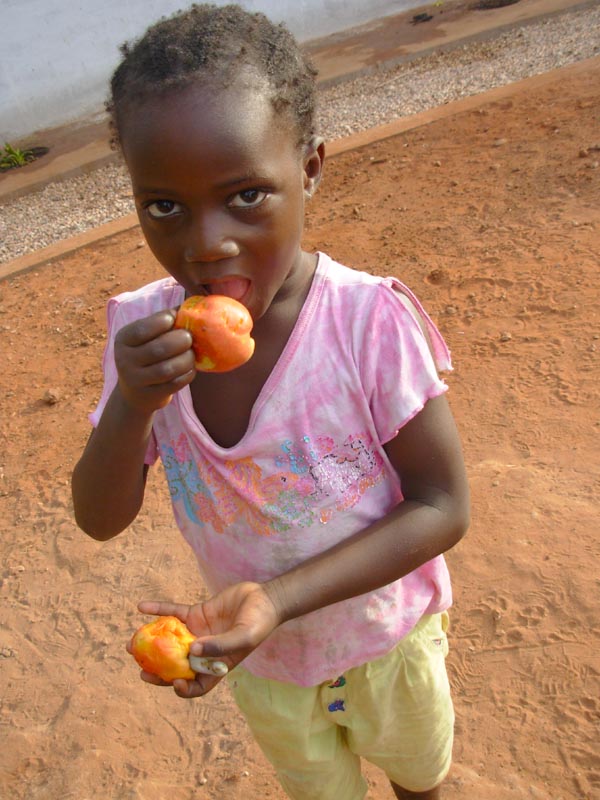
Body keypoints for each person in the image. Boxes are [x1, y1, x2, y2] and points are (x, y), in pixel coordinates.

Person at [71, 5, 470, 799]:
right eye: (163, 206)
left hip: (384, 641)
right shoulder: (142, 336)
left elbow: (442, 505)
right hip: (264, 664)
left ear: (311, 169)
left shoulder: (366, 323)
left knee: (418, 780)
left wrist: (278, 600)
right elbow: (99, 517)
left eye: (247, 194)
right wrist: (132, 405)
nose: (205, 243)